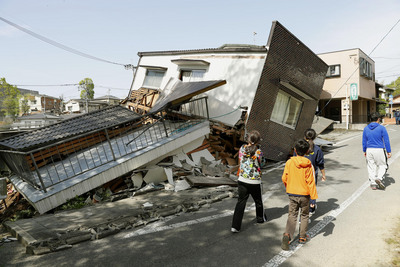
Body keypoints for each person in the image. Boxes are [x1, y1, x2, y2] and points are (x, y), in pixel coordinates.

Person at [281, 139, 318, 250]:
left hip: (292, 193)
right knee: (304, 215)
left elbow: (284, 177)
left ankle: (287, 235)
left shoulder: (289, 162)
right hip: (304, 194)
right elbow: (311, 181)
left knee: (292, 215)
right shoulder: (308, 164)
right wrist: (313, 196)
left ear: (295, 150)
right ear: (307, 151)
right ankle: (302, 237)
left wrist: (288, 186)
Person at [231, 130, 267, 233]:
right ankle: (260, 219)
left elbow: (240, 159)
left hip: (242, 179)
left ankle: (235, 226)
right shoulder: (258, 152)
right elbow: (262, 163)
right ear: (258, 141)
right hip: (255, 181)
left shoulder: (242, 149)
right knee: (258, 201)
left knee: (240, 202)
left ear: (248, 139)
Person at [362, 112, 392, 190]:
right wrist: (389, 151)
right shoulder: (382, 128)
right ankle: (379, 178)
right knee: (383, 165)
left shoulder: (366, 128)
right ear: (378, 119)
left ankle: (373, 183)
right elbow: (386, 140)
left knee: (371, 166)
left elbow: (364, 141)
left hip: (369, 150)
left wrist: (364, 150)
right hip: (379, 149)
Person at [303, 128, 326, 215]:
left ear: (304, 137)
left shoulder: (299, 148)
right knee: (311, 190)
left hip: (300, 174)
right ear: (315, 137)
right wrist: (323, 175)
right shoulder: (317, 149)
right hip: (312, 175)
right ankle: (311, 207)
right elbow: (321, 164)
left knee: (303, 192)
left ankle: (304, 209)